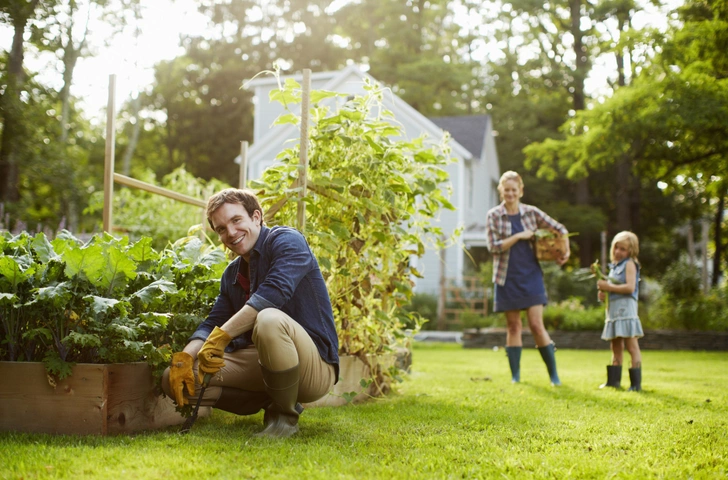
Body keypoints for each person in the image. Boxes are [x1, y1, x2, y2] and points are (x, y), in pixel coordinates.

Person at [162, 188, 339, 438]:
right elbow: (213, 321)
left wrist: (221, 337)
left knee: (268, 318)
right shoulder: (232, 274)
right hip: (263, 363)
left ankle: (283, 418)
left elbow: (272, 294)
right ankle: (266, 400)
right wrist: (185, 358)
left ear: (256, 217)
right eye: (221, 228)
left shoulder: (287, 241)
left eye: (236, 220)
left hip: (313, 368)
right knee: (173, 378)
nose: (230, 232)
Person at [485, 171, 570, 386]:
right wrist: (519, 236)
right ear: (501, 192)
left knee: (536, 325)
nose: (510, 193)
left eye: (514, 190)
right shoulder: (493, 215)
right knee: (513, 327)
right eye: (507, 190)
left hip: (531, 276)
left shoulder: (531, 213)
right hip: (506, 278)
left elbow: (560, 229)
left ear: (520, 191)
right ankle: (515, 376)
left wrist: (565, 251)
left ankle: (554, 376)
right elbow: (493, 247)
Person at [597, 231, 644, 391]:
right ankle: (613, 381)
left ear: (630, 251)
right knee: (615, 346)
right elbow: (614, 289)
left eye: (622, 249)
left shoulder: (629, 264)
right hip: (614, 311)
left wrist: (608, 287)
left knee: (631, 346)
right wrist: (604, 294)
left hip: (626, 310)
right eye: (616, 247)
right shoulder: (614, 266)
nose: (618, 252)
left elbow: (630, 288)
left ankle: (635, 384)